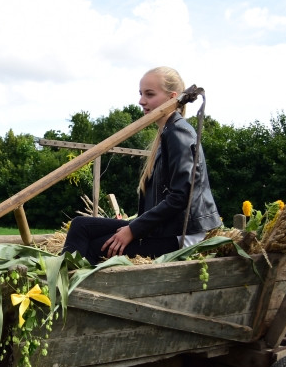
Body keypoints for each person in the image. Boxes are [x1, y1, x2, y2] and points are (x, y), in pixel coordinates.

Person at [62, 66, 222, 264]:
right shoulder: (167, 133)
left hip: (182, 235)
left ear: (172, 98)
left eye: (149, 94)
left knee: (97, 248)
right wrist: (134, 227)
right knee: (80, 225)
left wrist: (133, 230)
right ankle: (63, 282)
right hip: (166, 228)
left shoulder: (178, 133)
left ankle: (68, 288)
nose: (141, 101)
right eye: (141, 94)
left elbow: (181, 197)